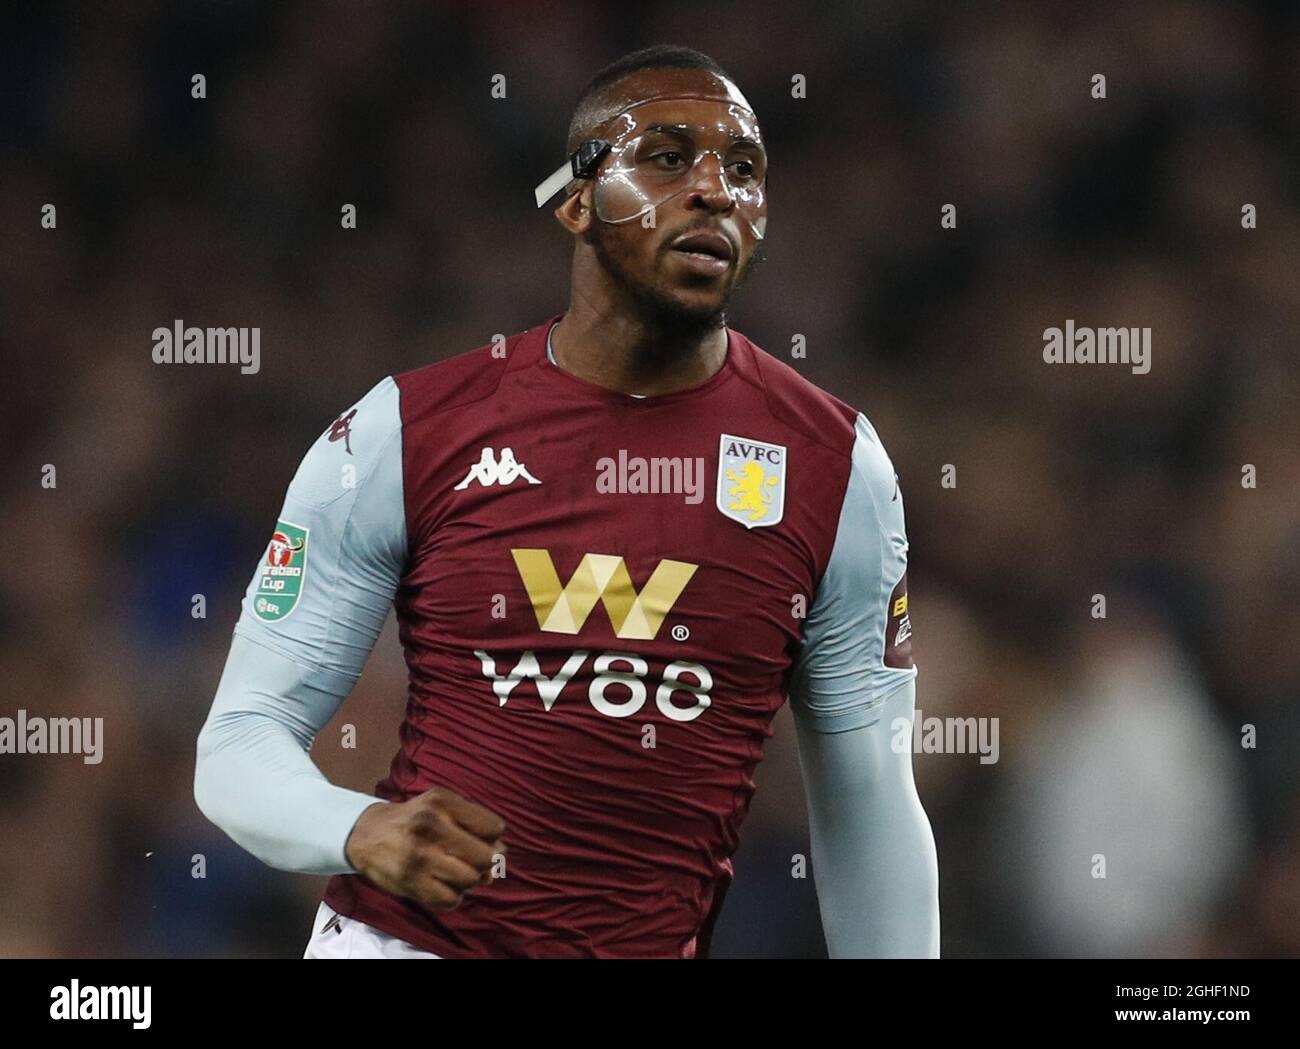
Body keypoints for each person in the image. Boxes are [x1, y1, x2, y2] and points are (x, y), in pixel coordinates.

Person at [194, 44, 939, 959]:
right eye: (667, 156)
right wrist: (356, 828)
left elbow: (868, 808)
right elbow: (237, 739)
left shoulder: (836, 468)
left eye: (744, 169)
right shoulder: (402, 432)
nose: (715, 189)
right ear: (576, 200)